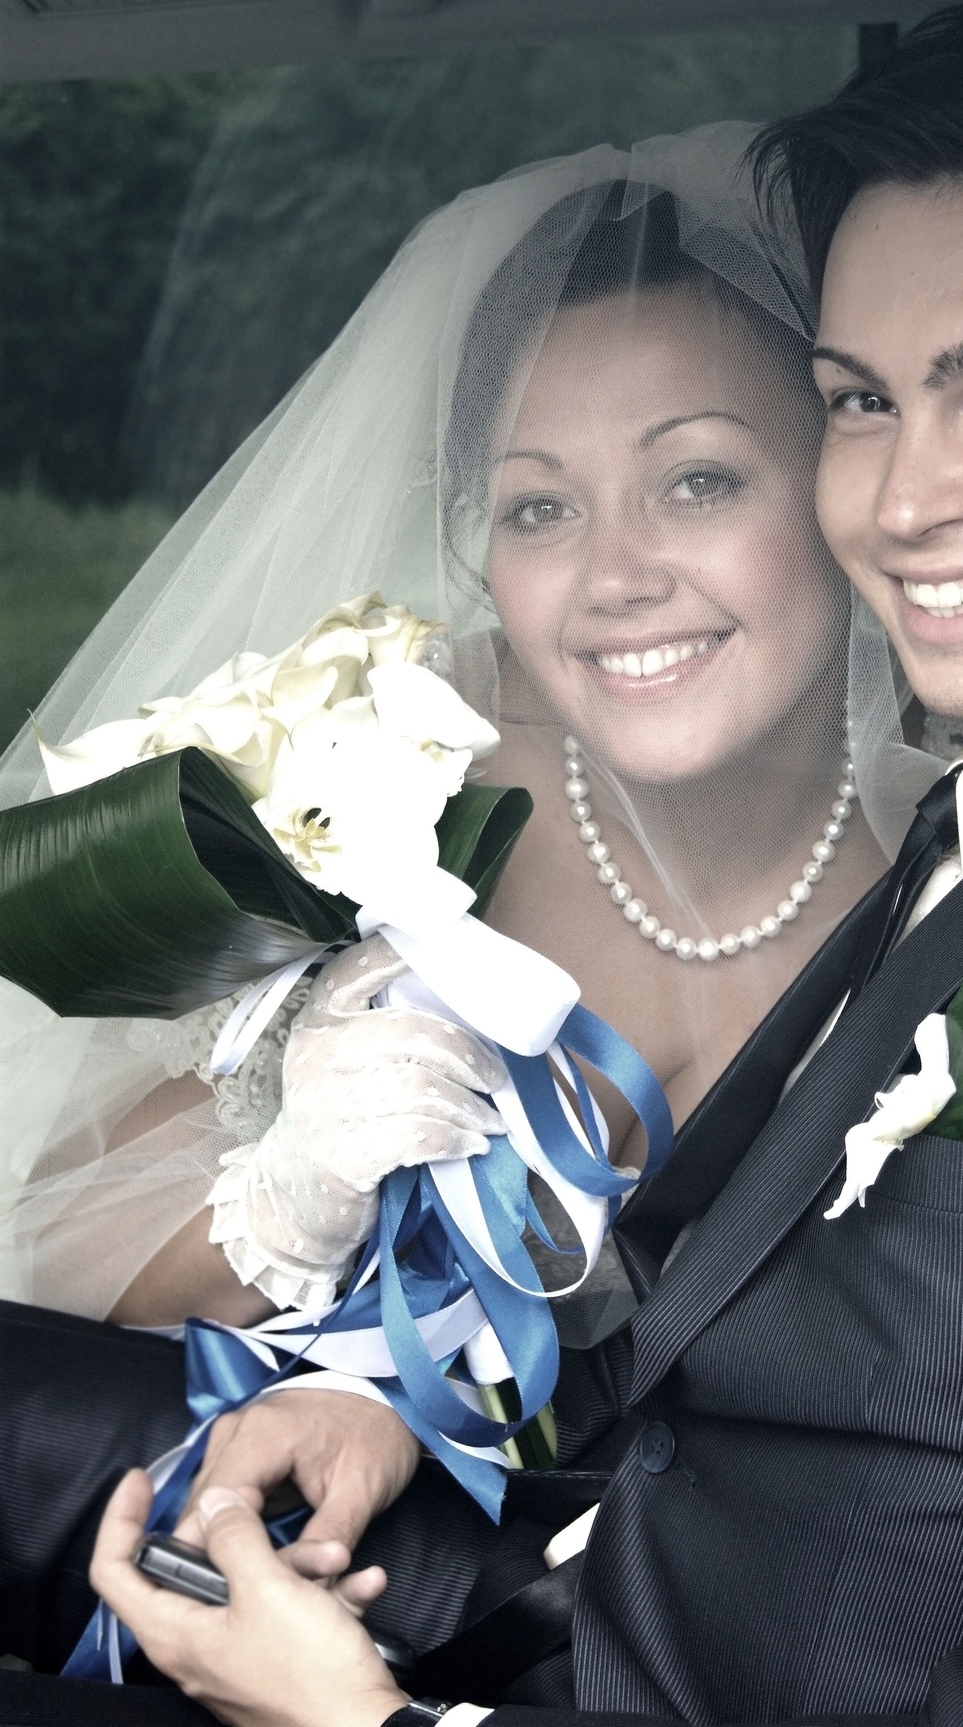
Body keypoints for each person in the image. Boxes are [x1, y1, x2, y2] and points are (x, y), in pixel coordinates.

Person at [7, 0, 963, 1727]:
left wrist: (364, 1723)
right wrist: (374, 1400)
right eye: (861, 402)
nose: (901, 501)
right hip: (578, 1572)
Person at [0, 125, 900, 1332]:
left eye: (698, 481)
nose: (614, 577)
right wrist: (292, 1193)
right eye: (540, 506)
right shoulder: (374, 773)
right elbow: (50, 1242)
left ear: (842, 475)